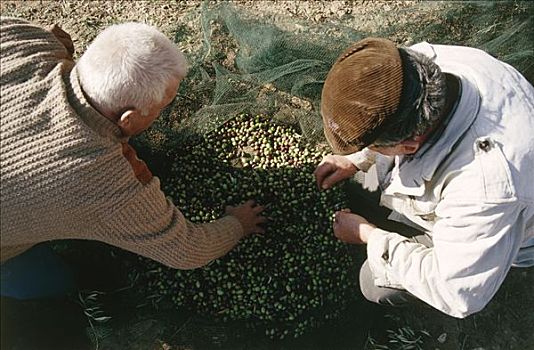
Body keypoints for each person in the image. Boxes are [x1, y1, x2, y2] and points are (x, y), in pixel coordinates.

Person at [0, 17, 266, 298]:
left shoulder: (21, 38)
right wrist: (238, 224)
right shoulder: (103, 182)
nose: (163, 111)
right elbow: (188, 250)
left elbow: (55, 36)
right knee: (49, 282)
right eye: (162, 107)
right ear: (129, 119)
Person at [314, 37, 534, 318]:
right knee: (363, 182)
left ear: (407, 146)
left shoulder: (485, 190)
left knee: (375, 284)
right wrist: (354, 160)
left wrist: (368, 235)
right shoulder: (412, 68)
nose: (368, 152)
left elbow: (458, 293)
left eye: (372, 146)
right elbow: (383, 110)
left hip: (508, 234)